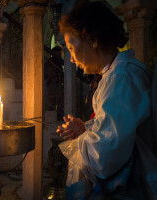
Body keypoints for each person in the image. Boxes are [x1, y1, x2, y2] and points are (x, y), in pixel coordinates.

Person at [56, 1, 157, 199]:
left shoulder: (123, 78)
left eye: (71, 46)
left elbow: (104, 156)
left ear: (92, 39)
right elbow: (116, 131)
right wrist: (85, 130)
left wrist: (82, 140)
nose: (71, 59)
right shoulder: (114, 75)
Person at [43, 46, 64, 120]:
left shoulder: (59, 63)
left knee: (60, 104)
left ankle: (59, 118)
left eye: (60, 54)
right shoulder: (50, 62)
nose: (59, 55)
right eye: (58, 53)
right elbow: (49, 75)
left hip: (58, 86)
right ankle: (52, 118)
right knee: (52, 103)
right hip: (51, 86)